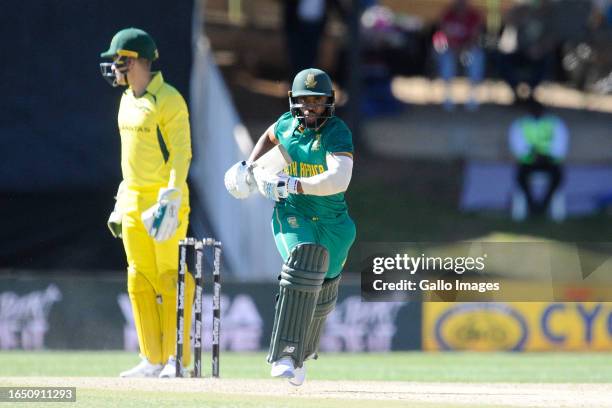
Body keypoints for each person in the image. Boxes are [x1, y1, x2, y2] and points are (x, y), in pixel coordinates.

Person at [224, 68, 356, 386]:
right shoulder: (287, 125)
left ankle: (302, 354)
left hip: (334, 222)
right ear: (293, 102)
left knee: (324, 289)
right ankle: (284, 353)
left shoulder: (337, 132)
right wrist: (250, 166)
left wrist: (294, 183)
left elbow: (340, 180)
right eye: (304, 100)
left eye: (318, 100)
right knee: (304, 259)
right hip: (292, 214)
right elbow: (271, 133)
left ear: (329, 103)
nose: (311, 107)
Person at [100, 28, 194, 378]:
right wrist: (123, 198)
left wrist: (172, 193)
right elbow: (131, 159)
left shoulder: (169, 100)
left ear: (137, 61)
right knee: (139, 278)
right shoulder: (126, 99)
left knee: (170, 277)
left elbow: (182, 152)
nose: (114, 67)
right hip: (134, 200)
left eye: (119, 60)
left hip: (164, 201)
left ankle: (177, 359)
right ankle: (152, 358)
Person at [509, 98, 569, 218]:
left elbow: (561, 145)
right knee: (520, 177)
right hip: (529, 161)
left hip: (550, 161)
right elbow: (517, 145)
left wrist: (546, 155)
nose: (536, 111)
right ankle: (531, 204)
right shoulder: (520, 124)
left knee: (558, 177)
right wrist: (531, 155)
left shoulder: (555, 123)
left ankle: (543, 204)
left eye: (538, 109)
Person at [433, 0, 485, 111]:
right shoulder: (447, 14)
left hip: (467, 51)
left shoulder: (474, 15)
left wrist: (463, 48)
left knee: (477, 57)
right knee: (446, 59)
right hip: (451, 50)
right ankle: (447, 96)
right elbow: (442, 36)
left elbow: (475, 37)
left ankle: (472, 96)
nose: (461, 4)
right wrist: (454, 48)